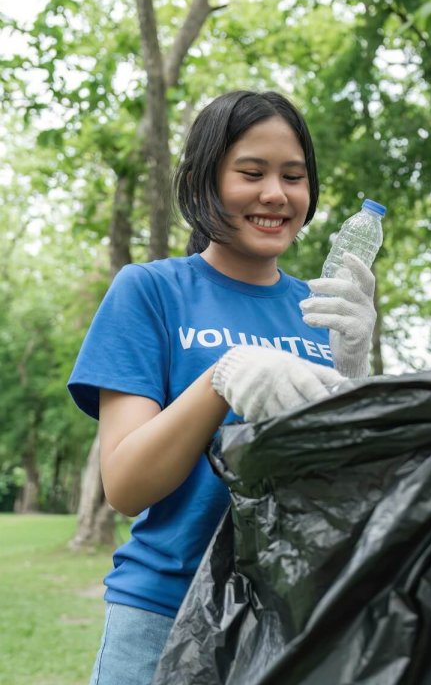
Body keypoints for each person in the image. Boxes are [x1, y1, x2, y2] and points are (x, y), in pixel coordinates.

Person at [68, 90, 376, 685]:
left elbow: (348, 489)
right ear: (206, 180)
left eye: (294, 176)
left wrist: (357, 375)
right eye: (251, 173)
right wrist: (222, 377)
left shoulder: (321, 311)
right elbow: (126, 485)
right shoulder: (150, 291)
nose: (275, 195)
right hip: (163, 613)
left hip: (289, 626)